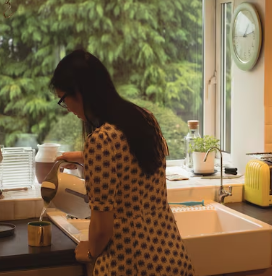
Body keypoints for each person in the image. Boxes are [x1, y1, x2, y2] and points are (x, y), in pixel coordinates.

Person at [50, 50, 195, 276]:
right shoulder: (144, 118)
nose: (67, 107)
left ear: (78, 92)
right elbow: (132, 158)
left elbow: (102, 227)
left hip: (130, 264)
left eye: (63, 99)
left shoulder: (100, 141)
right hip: (171, 258)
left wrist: (89, 253)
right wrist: (83, 156)